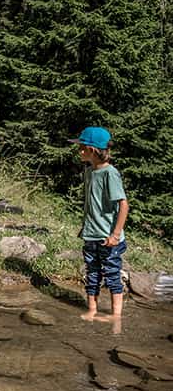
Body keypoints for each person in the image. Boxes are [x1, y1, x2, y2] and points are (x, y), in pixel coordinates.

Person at [70, 126, 129, 326]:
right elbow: (91, 204)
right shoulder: (89, 172)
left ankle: (116, 316)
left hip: (108, 237)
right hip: (91, 234)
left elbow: (123, 205)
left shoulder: (110, 174)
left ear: (93, 150)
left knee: (112, 273)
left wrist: (115, 234)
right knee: (92, 272)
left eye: (82, 148)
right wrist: (86, 226)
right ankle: (92, 310)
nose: (79, 151)